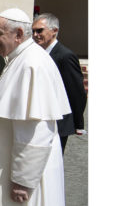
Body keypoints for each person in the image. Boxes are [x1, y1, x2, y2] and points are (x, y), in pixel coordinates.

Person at [0, 8, 71, 206]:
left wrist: (23, 181)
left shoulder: (32, 64)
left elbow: (36, 131)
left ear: (19, 34)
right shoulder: (19, 59)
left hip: (22, 182)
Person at [32, 13, 87, 153]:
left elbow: (76, 92)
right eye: (33, 31)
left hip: (59, 122)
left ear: (54, 31)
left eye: (39, 30)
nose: (35, 34)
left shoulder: (65, 56)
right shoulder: (38, 53)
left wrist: (78, 123)